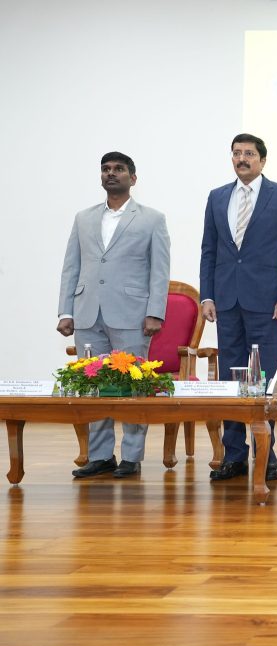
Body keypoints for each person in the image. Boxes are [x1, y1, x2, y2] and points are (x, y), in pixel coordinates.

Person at [58, 152, 171, 479]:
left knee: (134, 384)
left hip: (132, 314)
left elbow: (159, 270)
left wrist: (155, 312)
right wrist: (66, 310)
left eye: (119, 169)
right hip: (87, 313)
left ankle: (131, 457)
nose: (111, 173)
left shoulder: (152, 219)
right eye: (106, 169)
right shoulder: (83, 218)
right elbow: (71, 266)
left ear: (132, 178)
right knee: (91, 384)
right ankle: (100, 456)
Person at [200, 133, 277, 482]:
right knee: (231, 379)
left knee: (263, 378)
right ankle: (234, 455)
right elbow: (209, 250)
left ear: (262, 160)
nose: (242, 158)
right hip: (227, 301)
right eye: (236, 153)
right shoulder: (217, 197)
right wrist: (207, 295)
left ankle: (266, 453)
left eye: (249, 153)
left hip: (266, 302)